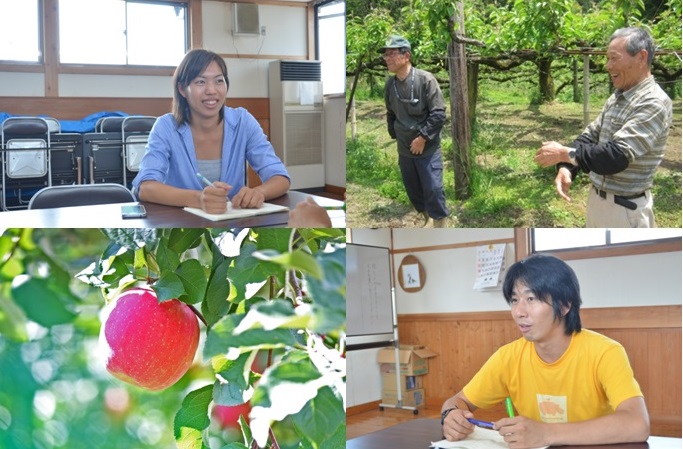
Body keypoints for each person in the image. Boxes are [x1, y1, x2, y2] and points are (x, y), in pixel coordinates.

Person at [441, 254, 649, 449]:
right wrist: (451, 416)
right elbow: (457, 401)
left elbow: (637, 424)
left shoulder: (605, 352)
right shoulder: (508, 357)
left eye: (531, 299)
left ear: (565, 305)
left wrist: (546, 433)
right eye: (514, 300)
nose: (519, 312)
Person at [534, 27, 672, 228]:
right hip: (598, 201)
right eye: (608, 59)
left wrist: (563, 153)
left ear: (642, 57)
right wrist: (567, 167)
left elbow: (615, 157)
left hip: (626, 211)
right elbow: (589, 137)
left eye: (614, 58)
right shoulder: (618, 96)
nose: (608, 66)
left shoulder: (653, 102)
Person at [132, 49, 290, 214]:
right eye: (201, 82)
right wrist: (199, 199)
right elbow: (146, 187)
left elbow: (280, 177)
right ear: (182, 89)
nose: (212, 90)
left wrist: (258, 193)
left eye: (219, 81)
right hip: (181, 225)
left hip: (232, 224)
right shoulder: (166, 127)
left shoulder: (243, 121)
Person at [380, 35, 449, 228]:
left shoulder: (426, 80)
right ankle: (428, 218)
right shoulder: (390, 85)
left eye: (392, 53)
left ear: (406, 55)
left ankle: (441, 225)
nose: (387, 58)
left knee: (433, 188)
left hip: (427, 147)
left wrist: (423, 138)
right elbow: (390, 112)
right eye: (386, 55)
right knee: (414, 190)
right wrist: (396, 135)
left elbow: (438, 114)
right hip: (404, 148)